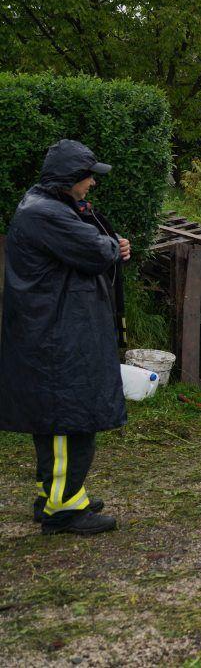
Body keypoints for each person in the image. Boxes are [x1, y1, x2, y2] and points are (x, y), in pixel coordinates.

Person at [0, 140, 129, 535]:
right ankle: (64, 511)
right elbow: (94, 250)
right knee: (66, 421)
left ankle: (56, 495)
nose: (92, 183)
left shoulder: (44, 207)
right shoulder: (48, 215)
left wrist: (106, 244)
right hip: (58, 339)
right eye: (88, 176)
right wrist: (114, 245)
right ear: (70, 179)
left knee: (60, 420)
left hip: (54, 332)